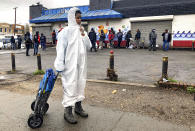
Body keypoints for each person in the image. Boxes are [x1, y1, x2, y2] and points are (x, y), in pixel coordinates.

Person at [54, 7, 91, 124]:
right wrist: (60, 64)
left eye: (80, 18)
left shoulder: (82, 31)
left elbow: (89, 46)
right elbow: (60, 50)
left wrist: (83, 34)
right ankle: (68, 111)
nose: (80, 20)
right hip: (69, 66)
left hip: (81, 65)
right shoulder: (65, 32)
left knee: (80, 84)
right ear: (72, 18)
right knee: (70, 85)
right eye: (78, 18)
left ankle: (78, 107)